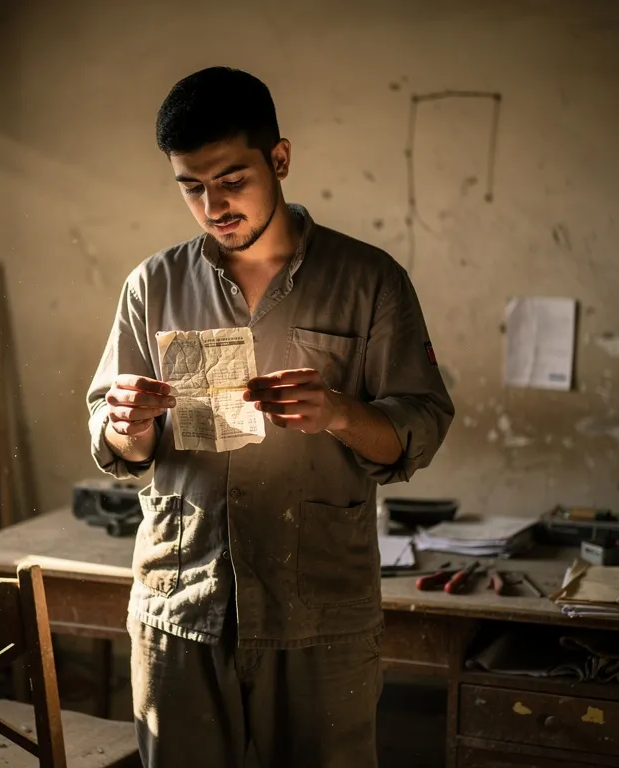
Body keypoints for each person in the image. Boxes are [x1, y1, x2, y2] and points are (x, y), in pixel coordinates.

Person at [86, 66, 454, 768]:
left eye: (230, 179)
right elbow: (114, 439)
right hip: (181, 607)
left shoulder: (369, 281)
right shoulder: (152, 286)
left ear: (279, 159)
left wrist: (340, 413)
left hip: (321, 614)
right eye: (191, 186)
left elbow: (422, 424)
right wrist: (126, 426)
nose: (212, 204)